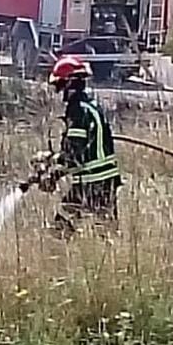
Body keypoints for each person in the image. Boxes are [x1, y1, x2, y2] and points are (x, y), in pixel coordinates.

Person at [45, 54, 121, 237]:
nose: (59, 91)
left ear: (69, 84)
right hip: (105, 180)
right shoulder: (91, 105)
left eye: (60, 85)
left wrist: (54, 171)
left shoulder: (77, 109)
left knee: (61, 227)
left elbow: (74, 154)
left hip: (92, 181)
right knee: (106, 231)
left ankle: (60, 260)